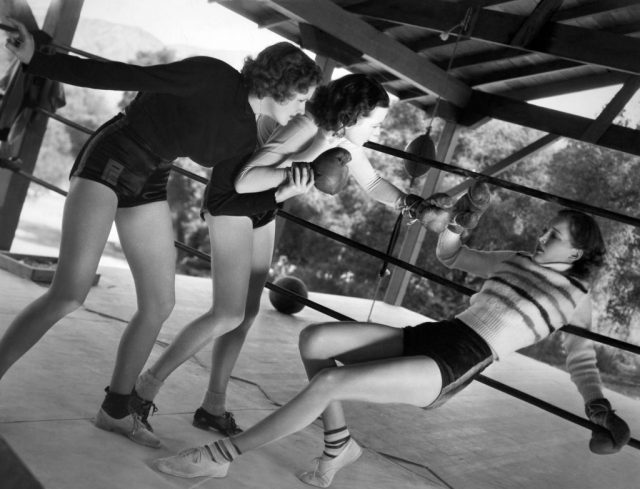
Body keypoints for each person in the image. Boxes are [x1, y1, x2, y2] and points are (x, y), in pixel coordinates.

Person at [0, 18, 322, 448]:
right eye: (300, 97)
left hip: (150, 178)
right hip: (111, 158)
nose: (301, 110)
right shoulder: (212, 74)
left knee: (159, 303)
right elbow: (124, 74)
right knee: (69, 293)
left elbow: (230, 200)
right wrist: (38, 59)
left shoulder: (247, 134)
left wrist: (285, 192)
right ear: (281, 85)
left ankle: (115, 410)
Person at [153, 204, 631, 486]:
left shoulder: (576, 300)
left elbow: (581, 358)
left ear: (577, 253)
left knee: (334, 382)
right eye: (547, 229)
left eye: (555, 236)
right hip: (439, 332)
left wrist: (599, 408)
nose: (543, 236)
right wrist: (456, 224)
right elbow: (453, 256)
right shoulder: (516, 258)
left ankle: (220, 459)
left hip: (460, 361)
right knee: (316, 339)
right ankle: (338, 446)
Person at [133, 73, 453, 439]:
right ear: (350, 117)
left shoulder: (342, 140)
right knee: (227, 313)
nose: (377, 131)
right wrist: (302, 163)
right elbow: (245, 180)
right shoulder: (306, 127)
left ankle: (213, 406)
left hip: (264, 207)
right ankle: (143, 391)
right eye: (374, 123)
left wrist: (412, 205)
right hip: (232, 203)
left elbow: (374, 184)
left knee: (246, 314)